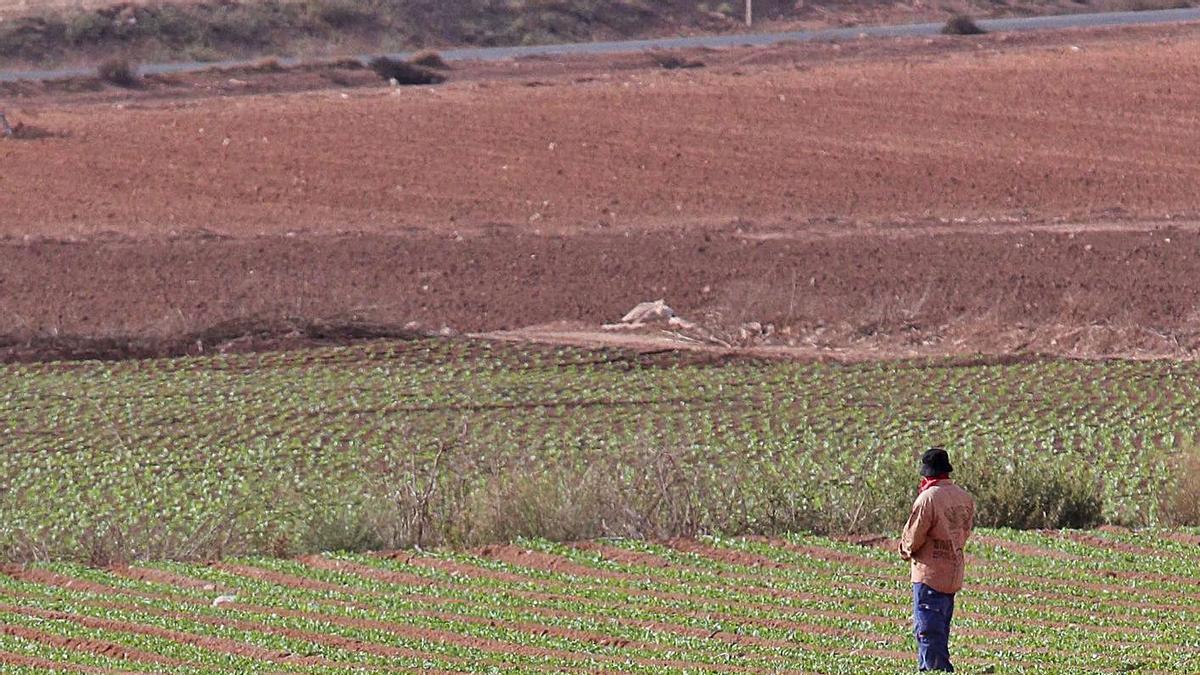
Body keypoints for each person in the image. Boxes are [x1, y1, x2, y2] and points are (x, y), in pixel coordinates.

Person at [899, 447, 975, 672]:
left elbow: (912, 539)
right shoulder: (963, 497)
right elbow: (965, 531)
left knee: (928, 632)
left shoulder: (928, 498)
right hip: (952, 574)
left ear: (927, 473)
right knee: (940, 630)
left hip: (929, 575)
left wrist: (904, 550)